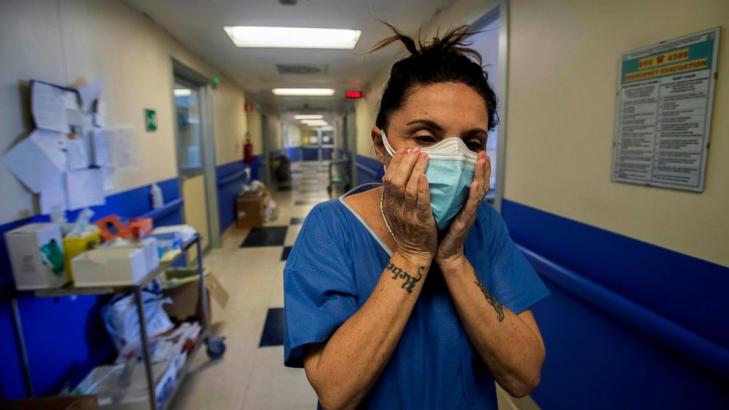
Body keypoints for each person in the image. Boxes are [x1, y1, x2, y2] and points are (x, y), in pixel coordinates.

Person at [284, 24, 549, 410]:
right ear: (381, 145)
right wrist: (412, 253)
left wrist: (454, 259)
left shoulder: (484, 226)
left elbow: (524, 375)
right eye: (425, 138)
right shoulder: (331, 227)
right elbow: (336, 391)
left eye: (471, 143)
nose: (453, 158)